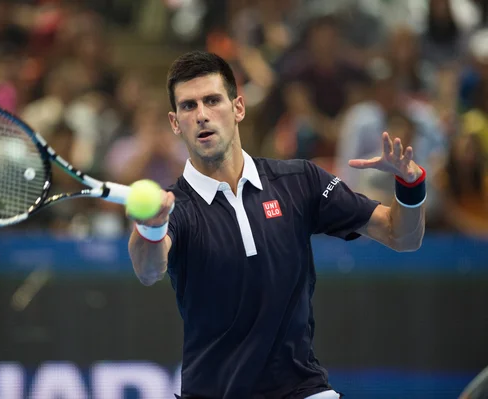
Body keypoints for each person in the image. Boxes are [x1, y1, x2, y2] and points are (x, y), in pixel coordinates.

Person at [127, 51, 426, 399]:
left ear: (238, 108)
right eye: (189, 106)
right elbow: (149, 270)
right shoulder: (175, 208)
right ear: (175, 122)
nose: (202, 115)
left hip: (301, 389)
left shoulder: (299, 181)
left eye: (212, 101)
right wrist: (150, 228)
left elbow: (401, 236)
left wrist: (410, 187)